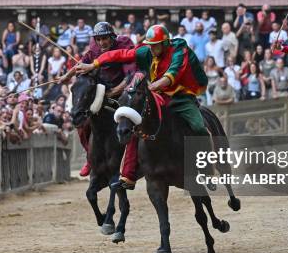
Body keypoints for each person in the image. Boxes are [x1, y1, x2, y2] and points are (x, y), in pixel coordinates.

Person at [75, 24, 208, 190]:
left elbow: (171, 76)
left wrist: (150, 87)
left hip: (182, 95)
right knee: (135, 119)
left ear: (165, 43)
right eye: (150, 45)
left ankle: (206, 167)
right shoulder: (147, 50)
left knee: (198, 126)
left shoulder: (180, 50)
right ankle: (129, 175)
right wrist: (93, 64)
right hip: (160, 93)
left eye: (155, 45)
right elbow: (120, 54)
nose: (152, 49)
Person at [59, 22, 136, 176]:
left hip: (123, 90)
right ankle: (90, 157)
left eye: (104, 39)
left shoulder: (125, 44)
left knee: (132, 119)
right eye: (98, 39)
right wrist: (67, 76)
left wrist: (115, 91)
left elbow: (130, 76)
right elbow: (81, 65)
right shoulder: (94, 48)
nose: (101, 43)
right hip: (101, 91)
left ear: (112, 37)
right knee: (80, 120)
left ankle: (136, 160)